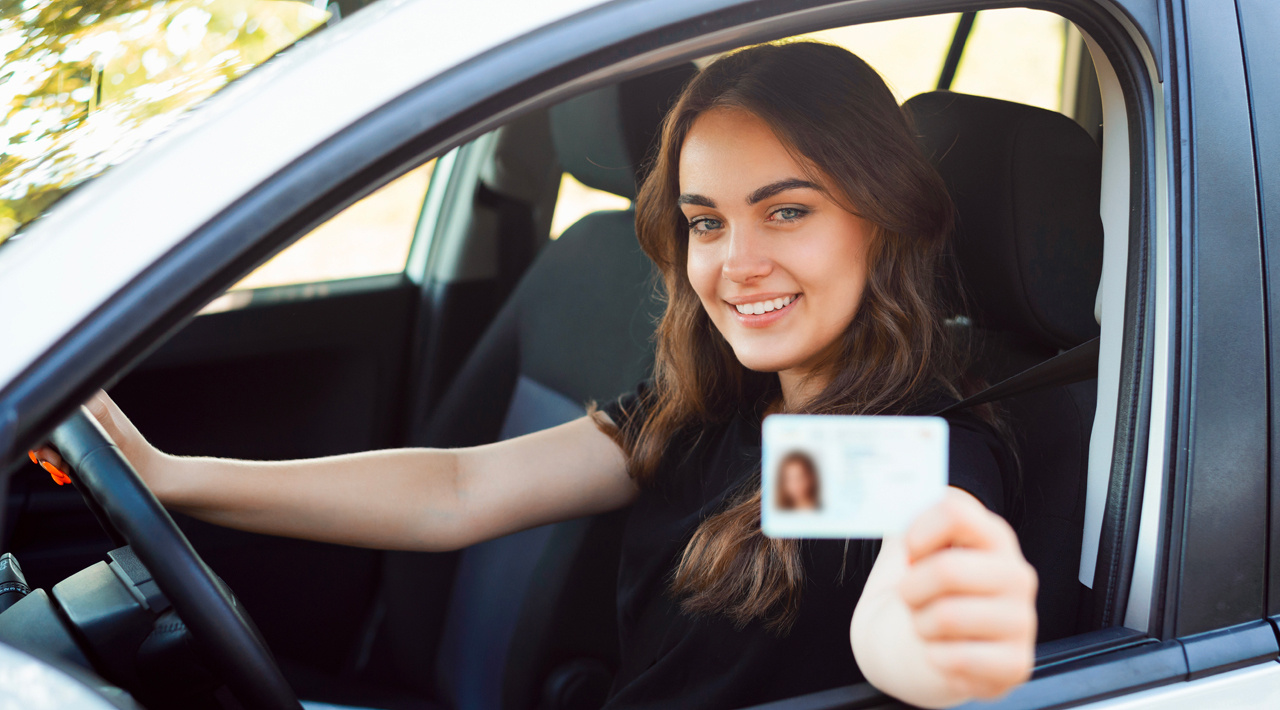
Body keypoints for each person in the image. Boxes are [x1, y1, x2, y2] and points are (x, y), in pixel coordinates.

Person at [34, 41, 1037, 710]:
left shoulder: (903, 451)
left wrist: (943, 643)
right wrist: (168, 474)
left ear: (883, 214)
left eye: (786, 211)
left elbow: (910, 606)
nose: (735, 262)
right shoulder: (724, 413)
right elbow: (460, 490)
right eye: (703, 220)